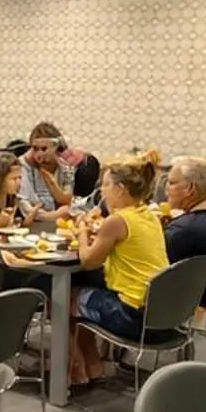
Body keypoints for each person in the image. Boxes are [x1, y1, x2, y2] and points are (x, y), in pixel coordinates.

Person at [70, 154, 169, 385]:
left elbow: (88, 261)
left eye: (105, 185)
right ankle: (92, 364)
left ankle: (77, 369)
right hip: (161, 312)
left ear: (120, 189)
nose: (102, 191)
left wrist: (83, 232)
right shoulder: (149, 215)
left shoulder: (116, 221)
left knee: (65, 298)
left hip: (132, 316)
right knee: (87, 289)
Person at [17, 123, 75, 215]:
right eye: (35, 148)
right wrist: (50, 216)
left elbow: (68, 201)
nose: (39, 154)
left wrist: (52, 183)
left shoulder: (65, 167)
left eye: (44, 149)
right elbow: (24, 203)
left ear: (55, 147)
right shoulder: (22, 166)